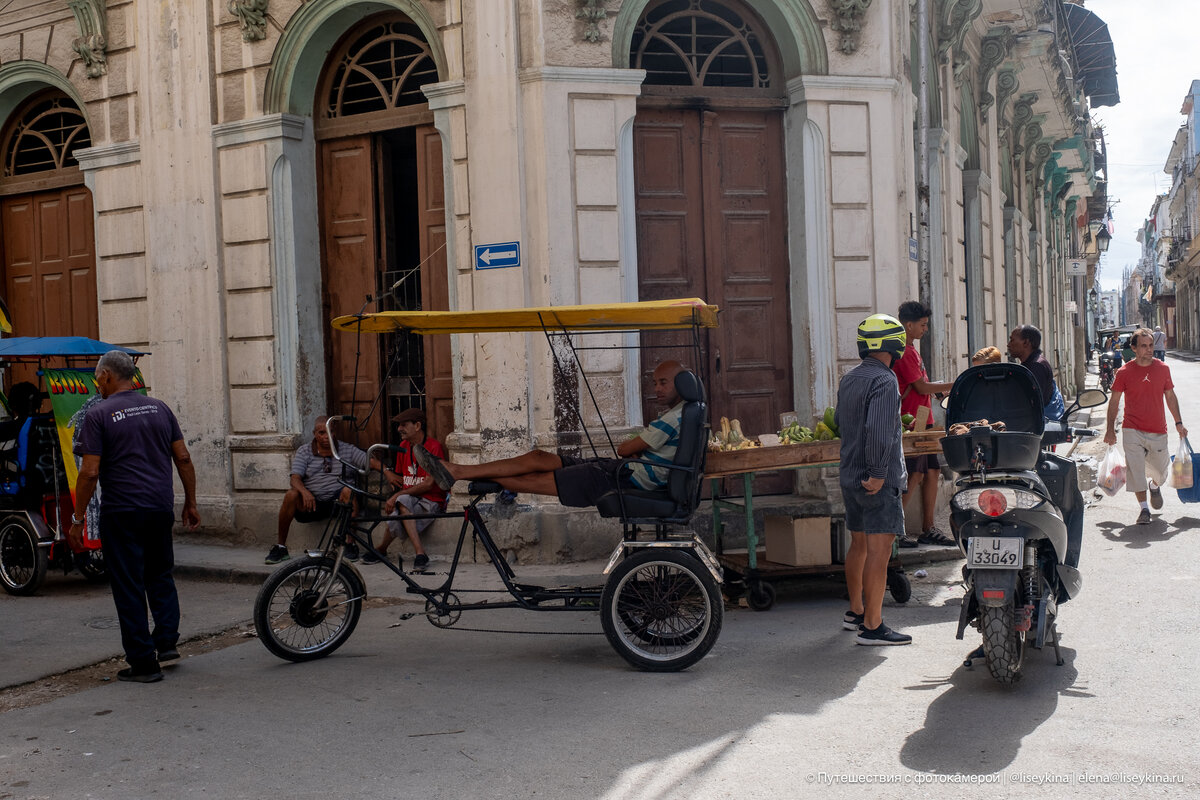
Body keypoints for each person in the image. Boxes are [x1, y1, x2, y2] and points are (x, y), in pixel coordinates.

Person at [68, 351, 200, 683]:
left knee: (128, 584)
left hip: (123, 511)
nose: (97, 382)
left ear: (107, 376)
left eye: (98, 376)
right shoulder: (160, 408)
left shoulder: (98, 415)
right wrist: (191, 502)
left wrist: (78, 517)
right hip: (158, 508)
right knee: (159, 574)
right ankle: (166, 641)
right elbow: (182, 457)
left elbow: (89, 473)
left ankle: (143, 663)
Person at [412, 361, 688, 506]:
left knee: (531, 480)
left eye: (663, 383)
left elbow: (625, 449)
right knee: (539, 456)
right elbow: (631, 450)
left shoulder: (674, 418)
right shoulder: (680, 415)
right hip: (622, 471)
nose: (657, 389)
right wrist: (637, 448)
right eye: (656, 383)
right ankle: (457, 470)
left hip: (626, 477)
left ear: (682, 382)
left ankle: (456, 473)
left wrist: (635, 448)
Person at [836, 314, 912, 646]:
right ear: (895, 345)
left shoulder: (849, 378)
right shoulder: (885, 381)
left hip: (850, 474)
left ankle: (855, 612)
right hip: (874, 479)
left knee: (859, 545)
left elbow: (841, 422)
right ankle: (873, 624)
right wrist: (880, 474)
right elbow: (879, 433)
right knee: (880, 552)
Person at [1103, 328, 1188, 525]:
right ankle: (1143, 510)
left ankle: (1155, 486)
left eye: (1151, 345)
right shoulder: (1124, 372)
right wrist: (1109, 429)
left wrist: (1179, 423)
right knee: (1135, 469)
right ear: (1134, 348)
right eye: (1144, 346)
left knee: (1160, 470)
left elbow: (1170, 396)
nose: (1149, 349)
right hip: (1131, 428)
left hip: (1158, 429)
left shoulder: (1163, 369)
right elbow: (1114, 401)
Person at [266, 416, 370, 565]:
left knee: (349, 491)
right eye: (322, 432)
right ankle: (281, 547)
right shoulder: (305, 451)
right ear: (315, 433)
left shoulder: (347, 449)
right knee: (291, 495)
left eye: (330, 432)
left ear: (335, 432)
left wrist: (387, 471)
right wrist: (305, 492)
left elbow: (369, 461)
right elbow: (294, 478)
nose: (326, 436)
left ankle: (350, 545)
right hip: (312, 503)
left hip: (338, 503)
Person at [892, 301, 954, 548]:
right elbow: (920, 387)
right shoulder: (904, 352)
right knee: (914, 473)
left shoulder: (911, 350)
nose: (925, 329)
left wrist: (938, 390)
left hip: (924, 419)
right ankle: (896, 529)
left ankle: (928, 527)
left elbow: (922, 385)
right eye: (923, 325)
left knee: (932, 471)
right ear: (909, 325)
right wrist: (952, 385)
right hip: (911, 422)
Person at [361, 408, 447, 569]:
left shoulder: (434, 447)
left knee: (399, 507)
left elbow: (429, 484)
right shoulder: (403, 446)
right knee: (399, 508)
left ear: (417, 425)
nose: (399, 429)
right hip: (408, 502)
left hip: (430, 501)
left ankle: (383, 549)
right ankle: (419, 553)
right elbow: (402, 477)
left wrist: (397, 496)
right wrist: (388, 473)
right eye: (399, 425)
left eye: (404, 425)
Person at [1007, 324, 1064, 420]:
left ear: (1026, 343)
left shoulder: (1036, 366)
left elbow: (1032, 402)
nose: (1008, 344)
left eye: (1012, 340)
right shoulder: (1029, 364)